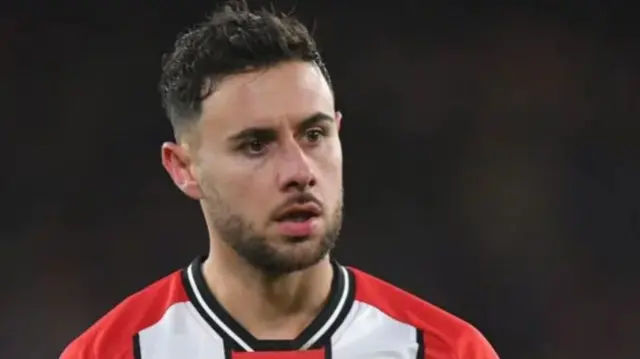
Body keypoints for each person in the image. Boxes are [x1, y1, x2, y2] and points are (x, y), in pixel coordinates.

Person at [60, 1, 499, 358]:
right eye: (256, 144)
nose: (300, 172)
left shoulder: (447, 351)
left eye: (314, 135)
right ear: (183, 168)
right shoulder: (110, 353)